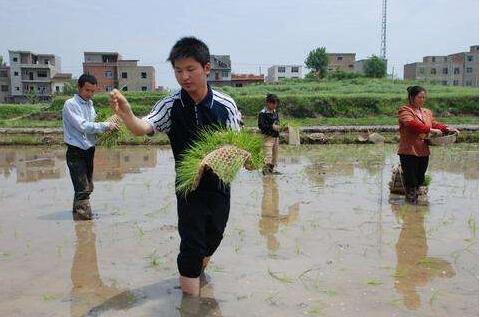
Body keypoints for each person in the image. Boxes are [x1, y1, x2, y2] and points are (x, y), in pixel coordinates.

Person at [109, 37, 241, 296]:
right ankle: (191, 304)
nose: (184, 77)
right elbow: (142, 128)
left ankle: (198, 273)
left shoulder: (225, 106)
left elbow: (239, 148)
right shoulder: (170, 105)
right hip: (188, 188)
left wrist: (232, 158)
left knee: (213, 237)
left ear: (206, 68)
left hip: (219, 187)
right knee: (191, 247)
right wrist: (127, 115)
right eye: (178, 71)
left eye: (190, 69)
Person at [63, 74, 117, 220]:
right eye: (87, 90)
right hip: (76, 151)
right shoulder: (71, 104)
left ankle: (77, 215)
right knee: (83, 188)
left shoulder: (90, 105)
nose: (90, 94)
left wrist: (108, 126)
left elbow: (93, 125)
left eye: (93, 91)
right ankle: (85, 222)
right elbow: (82, 126)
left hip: (89, 149)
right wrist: (105, 125)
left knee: (87, 185)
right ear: (79, 87)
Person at [397, 86, 459, 203]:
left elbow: (434, 124)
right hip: (409, 151)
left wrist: (447, 128)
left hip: (423, 151)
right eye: (419, 97)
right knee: (411, 182)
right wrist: (430, 130)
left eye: (424, 97)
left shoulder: (426, 112)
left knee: (420, 179)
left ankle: (417, 212)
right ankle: (410, 211)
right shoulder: (405, 110)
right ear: (411, 97)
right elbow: (411, 124)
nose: (422, 99)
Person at [258, 93, 282, 175]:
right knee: (268, 154)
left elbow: (277, 122)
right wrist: (272, 126)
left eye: (276, 104)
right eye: (274, 103)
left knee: (275, 154)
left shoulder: (275, 112)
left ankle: (272, 169)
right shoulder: (263, 113)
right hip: (267, 136)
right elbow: (261, 125)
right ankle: (265, 171)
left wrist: (280, 127)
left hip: (275, 137)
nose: (275, 105)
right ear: (268, 103)